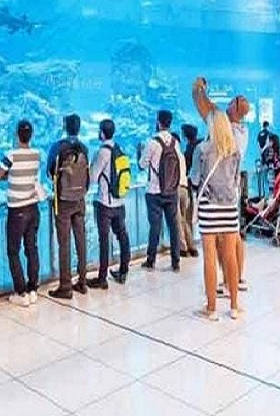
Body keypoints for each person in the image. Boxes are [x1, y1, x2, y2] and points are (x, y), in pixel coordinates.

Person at [192, 78, 251, 291]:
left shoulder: (225, 128)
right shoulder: (242, 132)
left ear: (235, 108)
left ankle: (227, 282)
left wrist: (200, 89)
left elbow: (206, 107)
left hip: (215, 194)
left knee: (219, 243)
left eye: (234, 101)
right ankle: (234, 281)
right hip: (231, 191)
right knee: (233, 237)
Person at [192, 110, 242, 321]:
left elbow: (195, 179)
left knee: (209, 257)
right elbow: (236, 179)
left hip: (208, 207)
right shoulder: (234, 150)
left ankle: (211, 308)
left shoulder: (202, 149)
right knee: (230, 256)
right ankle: (234, 306)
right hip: (229, 207)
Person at [0, 119, 43, 307]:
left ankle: (21, 292)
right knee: (32, 248)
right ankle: (33, 289)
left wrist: (11, 175)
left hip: (17, 210)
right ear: (31, 135)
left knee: (13, 251)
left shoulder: (11, 155)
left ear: (16, 135)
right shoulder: (36, 154)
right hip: (33, 207)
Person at [47, 114, 91, 296]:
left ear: (65, 127)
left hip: (63, 201)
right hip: (80, 199)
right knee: (81, 240)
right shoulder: (84, 148)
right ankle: (82, 281)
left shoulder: (58, 147)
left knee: (64, 243)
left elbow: (50, 172)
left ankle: (65, 286)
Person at [137, 109, 185, 272]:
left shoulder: (152, 142)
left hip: (154, 191)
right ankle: (175, 262)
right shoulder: (175, 142)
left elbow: (142, 165)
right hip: (171, 190)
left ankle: (151, 260)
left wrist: (139, 153)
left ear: (158, 122)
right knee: (173, 226)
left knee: (155, 227)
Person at [87, 119, 132, 289]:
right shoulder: (119, 149)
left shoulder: (102, 152)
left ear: (102, 133)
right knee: (122, 236)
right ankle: (123, 270)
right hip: (120, 202)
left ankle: (102, 278)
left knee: (104, 240)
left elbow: (93, 177)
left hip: (105, 203)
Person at [178, 123, 200, 258]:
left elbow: (187, 168)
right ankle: (191, 245)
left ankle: (187, 246)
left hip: (189, 186)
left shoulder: (190, 150)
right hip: (195, 187)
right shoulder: (199, 146)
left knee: (184, 217)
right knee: (189, 217)